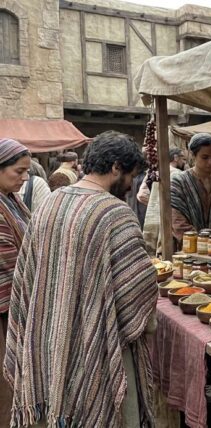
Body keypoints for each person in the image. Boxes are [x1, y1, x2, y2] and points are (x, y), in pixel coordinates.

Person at [3, 131, 157, 427]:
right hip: (97, 347)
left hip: (48, 341)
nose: (130, 185)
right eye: (131, 176)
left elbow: (27, 276)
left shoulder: (49, 203)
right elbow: (139, 288)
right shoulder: (115, 213)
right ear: (116, 167)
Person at [0, 139, 32, 427]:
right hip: (5, 309)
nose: (25, 178)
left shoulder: (11, 200)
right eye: (19, 171)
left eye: (27, 171)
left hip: (16, 304)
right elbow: (8, 262)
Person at [140, 147, 187, 254]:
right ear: (176, 158)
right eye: (183, 159)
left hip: (153, 220)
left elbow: (141, 195)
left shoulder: (155, 172)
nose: (184, 162)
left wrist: (155, 205)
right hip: (170, 220)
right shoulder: (178, 175)